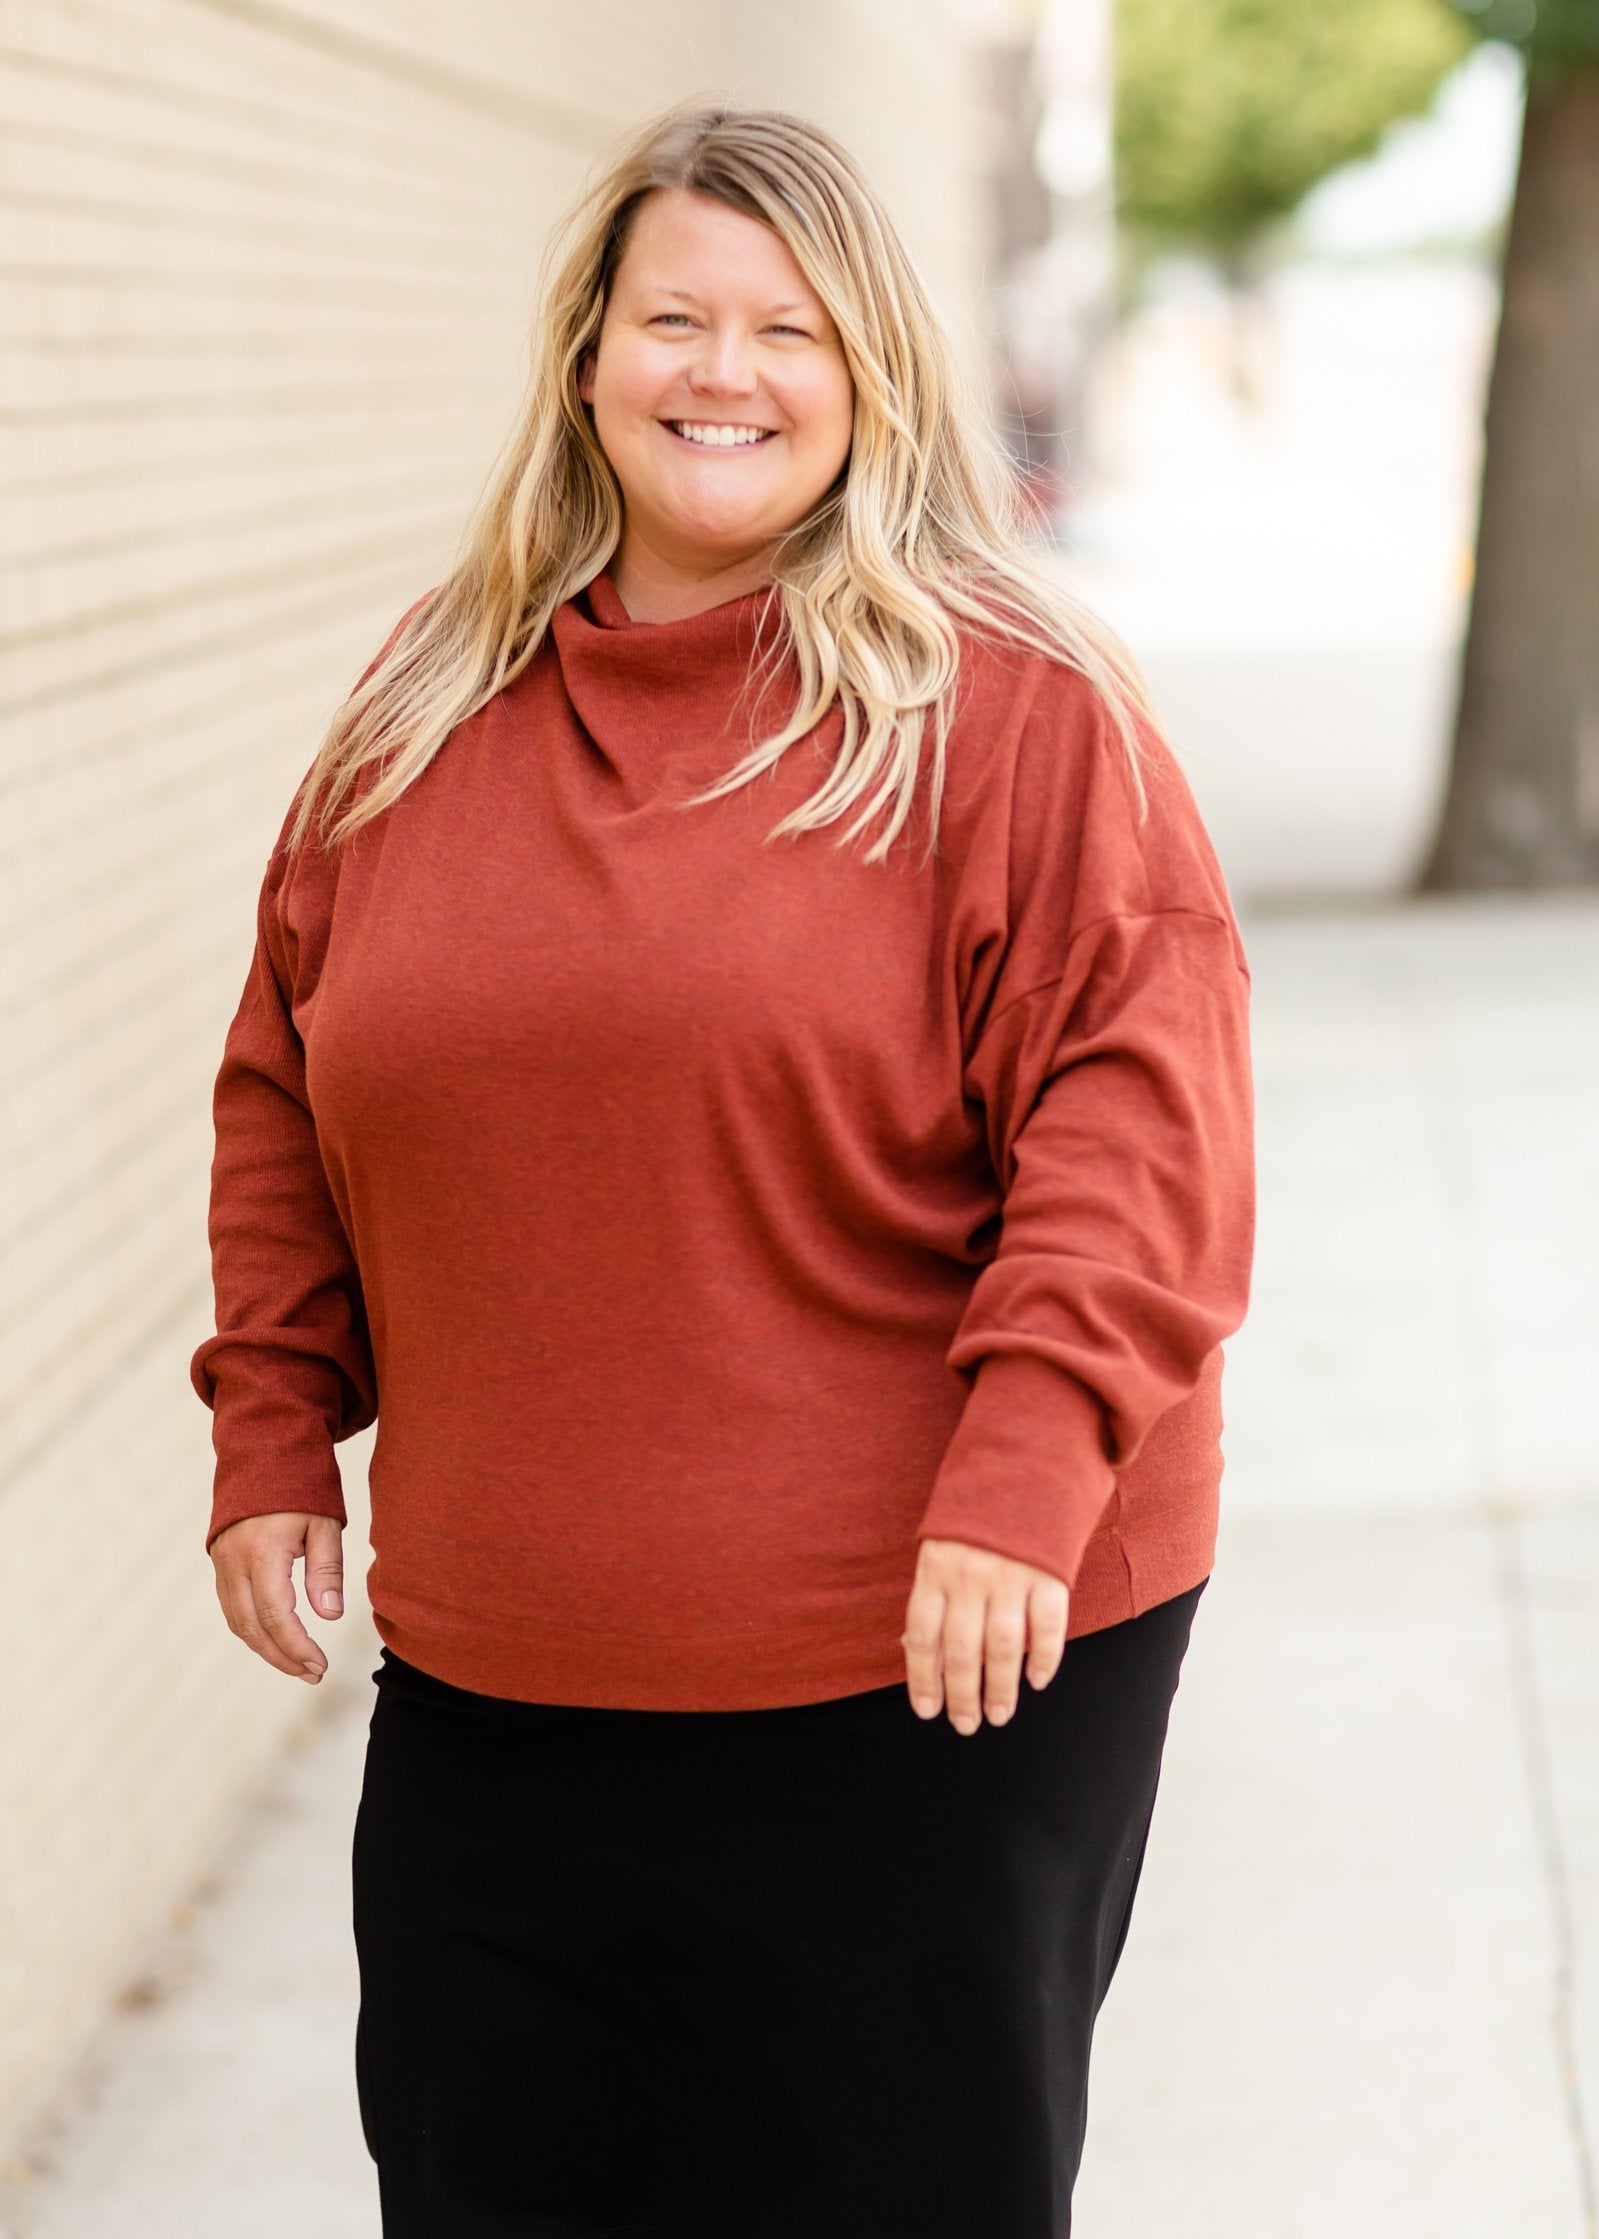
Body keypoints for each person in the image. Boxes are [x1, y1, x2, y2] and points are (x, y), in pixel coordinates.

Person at [191, 100, 1254, 2239]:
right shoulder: (423, 700)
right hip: (503, 1676)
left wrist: (1024, 1472)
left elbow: (1137, 1132)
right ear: (587, 353)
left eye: (787, 329)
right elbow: (284, 1082)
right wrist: (275, 1419)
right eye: (671, 314)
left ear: (871, 380)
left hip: (927, 1671)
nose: (721, 371)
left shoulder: (1014, 713)